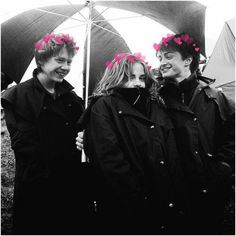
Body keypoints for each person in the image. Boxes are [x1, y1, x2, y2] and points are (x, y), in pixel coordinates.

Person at [78, 52, 189, 234]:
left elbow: (170, 151)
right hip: (130, 206)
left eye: (142, 78)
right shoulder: (103, 107)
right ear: (117, 77)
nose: (138, 83)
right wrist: (139, 198)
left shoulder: (155, 105)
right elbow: (110, 160)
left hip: (166, 200)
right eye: (130, 77)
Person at [1, 33, 89, 234]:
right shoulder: (16, 97)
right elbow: (23, 144)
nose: (66, 67)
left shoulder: (73, 98)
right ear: (41, 60)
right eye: (60, 60)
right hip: (38, 187)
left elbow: (81, 131)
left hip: (72, 184)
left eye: (69, 61)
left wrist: (85, 138)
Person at [153, 33, 235, 234]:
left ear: (188, 60)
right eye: (160, 58)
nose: (162, 62)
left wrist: (222, 169)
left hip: (210, 195)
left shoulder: (216, 98)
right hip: (171, 194)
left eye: (169, 56)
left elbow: (233, 138)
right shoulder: (155, 98)